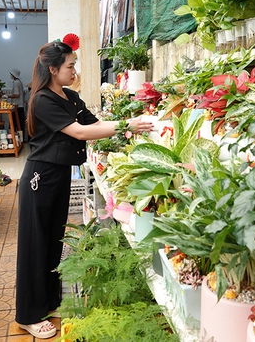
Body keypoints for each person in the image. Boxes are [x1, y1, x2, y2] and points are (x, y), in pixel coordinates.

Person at [15, 40, 153, 338]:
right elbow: (79, 132)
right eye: (70, 66)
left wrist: (131, 125)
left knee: (54, 240)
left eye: (74, 64)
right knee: (35, 245)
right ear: (52, 69)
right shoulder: (42, 100)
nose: (74, 71)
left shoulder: (71, 97)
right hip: (41, 177)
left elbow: (96, 124)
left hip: (60, 175)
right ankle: (28, 314)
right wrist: (129, 123)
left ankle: (48, 302)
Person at [8, 69, 26, 139]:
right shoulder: (19, 82)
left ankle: (14, 139)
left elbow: (16, 95)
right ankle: (21, 139)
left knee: (13, 123)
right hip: (20, 106)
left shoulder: (16, 83)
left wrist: (7, 96)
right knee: (20, 123)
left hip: (17, 106)